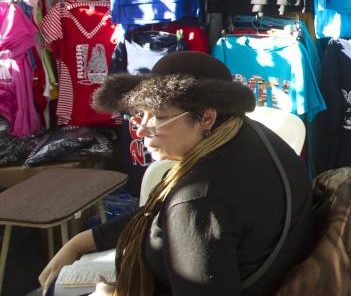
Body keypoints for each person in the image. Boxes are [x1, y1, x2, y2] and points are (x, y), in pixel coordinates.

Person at [39, 51, 315, 295]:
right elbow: (154, 214)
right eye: (141, 114)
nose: (143, 128)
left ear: (206, 117)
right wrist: (79, 242)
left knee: (54, 290)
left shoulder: (198, 202)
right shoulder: (251, 135)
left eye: (159, 116)